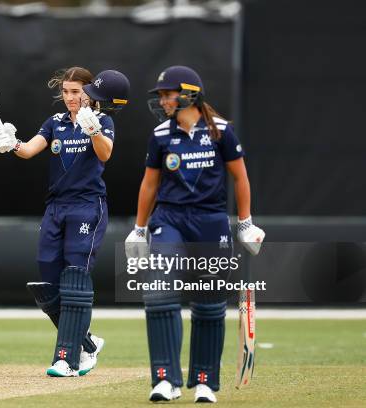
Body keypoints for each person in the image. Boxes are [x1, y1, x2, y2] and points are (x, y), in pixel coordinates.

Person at [124, 66, 265, 403]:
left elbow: (240, 178)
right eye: (159, 95)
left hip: (211, 221)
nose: (162, 100)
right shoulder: (160, 134)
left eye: (166, 94)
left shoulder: (221, 132)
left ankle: (204, 380)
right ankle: (165, 380)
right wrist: (139, 229)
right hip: (169, 220)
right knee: (159, 295)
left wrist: (244, 223)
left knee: (209, 305)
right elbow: (150, 183)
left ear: (188, 93)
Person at [0, 68, 130, 377]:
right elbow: (29, 150)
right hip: (56, 207)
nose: (70, 97)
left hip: (87, 206)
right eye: (66, 92)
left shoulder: (103, 120)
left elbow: (105, 154)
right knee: (48, 280)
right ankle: (88, 342)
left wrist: (93, 130)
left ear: (89, 92)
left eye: (76, 92)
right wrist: (10, 143)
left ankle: (66, 358)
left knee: (74, 279)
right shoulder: (54, 123)